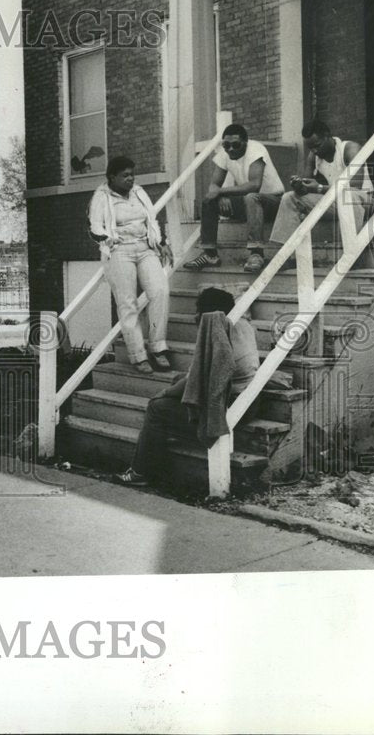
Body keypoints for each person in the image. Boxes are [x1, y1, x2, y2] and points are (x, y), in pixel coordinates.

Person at [118, 287, 260, 486]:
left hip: (232, 407)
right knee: (177, 380)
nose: (195, 315)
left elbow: (196, 380)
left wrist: (162, 394)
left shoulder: (218, 337)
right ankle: (157, 446)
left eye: (199, 311)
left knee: (157, 407)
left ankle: (141, 472)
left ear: (207, 315)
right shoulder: (243, 324)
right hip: (248, 399)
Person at [88, 155, 172, 374]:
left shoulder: (138, 192)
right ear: (111, 177)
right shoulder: (101, 196)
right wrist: (107, 239)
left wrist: (161, 243)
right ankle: (138, 355)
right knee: (128, 303)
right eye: (125, 175)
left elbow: (151, 219)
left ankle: (158, 347)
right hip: (119, 251)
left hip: (145, 248)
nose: (130, 179)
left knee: (160, 291)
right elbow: (94, 226)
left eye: (132, 174)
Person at [183, 124, 285, 274]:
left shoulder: (256, 149)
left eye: (236, 145)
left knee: (251, 197)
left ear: (245, 142)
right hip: (248, 203)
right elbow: (213, 186)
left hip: (273, 203)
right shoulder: (225, 155)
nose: (230, 149)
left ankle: (256, 253)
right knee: (209, 201)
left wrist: (222, 191)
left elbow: (254, 185)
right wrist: (220, 195)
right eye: (226, 145)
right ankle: (210, 255)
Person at [269, 119, 374, 263]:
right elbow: (306, 185)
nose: (314, 151)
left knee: (348, 197)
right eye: (310, 148)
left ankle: (352, 258)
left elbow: (355, 186)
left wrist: (319, 188)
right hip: (336, 201)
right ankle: (283, 255)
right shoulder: (314, 156)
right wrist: (300, 186)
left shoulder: (350, 149)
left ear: (327, 136)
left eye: (317, 146)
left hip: (364, 200)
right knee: (289, 198)